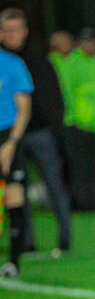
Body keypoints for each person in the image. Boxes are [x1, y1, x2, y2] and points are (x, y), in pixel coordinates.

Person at [0, 9, 72, 257]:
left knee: (53, 186)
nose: (11, 35)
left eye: (16, 29)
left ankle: (65, 239)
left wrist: (55, 130)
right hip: (10, 137)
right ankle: (25, 241)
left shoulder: (38, 61)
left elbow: (53, 98)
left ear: (25, 31)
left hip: (39, 133)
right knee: (17, 189)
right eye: (6, 30)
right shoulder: (4, 62)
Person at [62, 28, 95, 212]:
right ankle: (81, 202)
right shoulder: (72, 62)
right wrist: (72, 118)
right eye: (88, 41)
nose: (92, 45)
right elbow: (67, 93)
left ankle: (91, 201)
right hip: (78, 123)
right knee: (80, 166)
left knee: (93, 166)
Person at [0, 40, 32, 277]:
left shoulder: (11, 64)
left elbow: (24, 108)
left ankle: (13, 262)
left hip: (6, 135)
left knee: (13, 196)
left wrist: (11, 142)